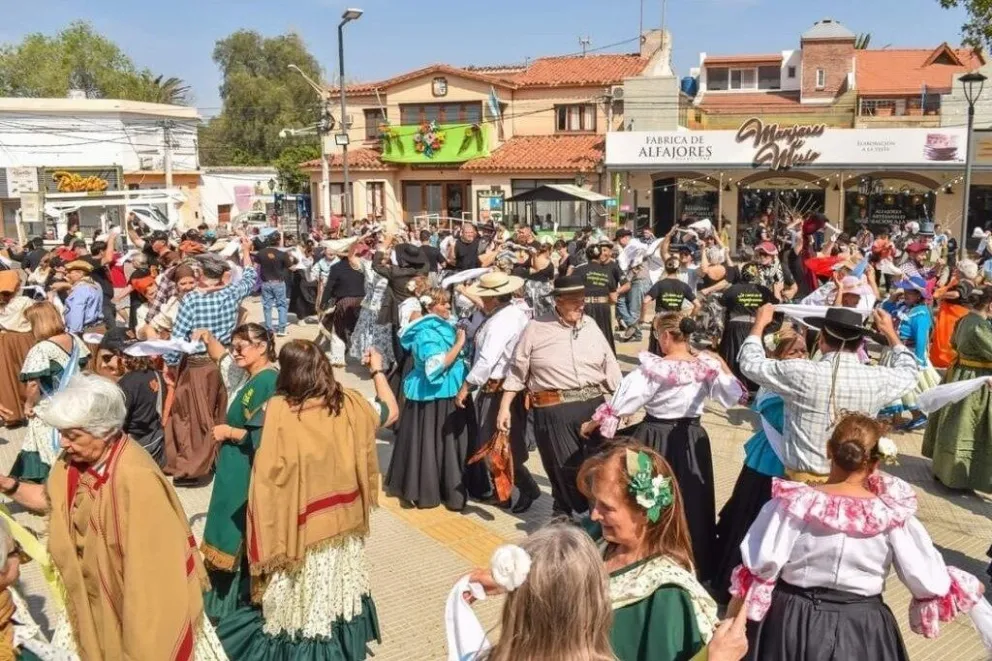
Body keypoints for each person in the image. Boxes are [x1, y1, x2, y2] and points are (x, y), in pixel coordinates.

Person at [0, 374, 227, 660]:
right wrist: (10, 485)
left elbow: (154, 583)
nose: (63, 444)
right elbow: (53, 500)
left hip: (132, 612)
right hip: (89, 605)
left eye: (72, 435)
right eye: (62, 433)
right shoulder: (73, 461)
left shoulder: (137, 479)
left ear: (104, 431)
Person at [729, 414, 987, 661]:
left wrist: (732, 623)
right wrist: (959, 585)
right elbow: (926, 580)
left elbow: (760, 566)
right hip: (862, 626)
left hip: (790, 621)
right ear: (875, 462)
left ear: (829, 450)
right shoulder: (891, 515)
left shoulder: (792, 505)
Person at [215, 340, 396, 660]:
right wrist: (377, 370)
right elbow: (390, 411)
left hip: (299, 529)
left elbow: (251, 444)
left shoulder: (277, 411)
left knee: (300, 601)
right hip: (344, 523)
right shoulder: (352, 404)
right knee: (336, 592)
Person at [581, 313, 745, 582]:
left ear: (666, 336)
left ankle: (649, 550)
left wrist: (592, 424)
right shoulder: (704, 366)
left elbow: (623, 404)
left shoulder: (653, 368)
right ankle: (693, 558)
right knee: (691, 498)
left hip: (655, 436)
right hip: (693, 437)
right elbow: (732, 395)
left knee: (647, 495)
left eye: (658, 336)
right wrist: (721, 364)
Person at [739, 304, 920, 483]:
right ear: (859, 344)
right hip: (850, 485)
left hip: (802, 486)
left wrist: (759, 324)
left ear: (821, 340)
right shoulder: (878, 377)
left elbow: (749, 363)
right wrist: (890, 333)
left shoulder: (801, 372)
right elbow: (911, 372)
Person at [579, 443, 720, 661]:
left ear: (645, 512)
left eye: (607, 507)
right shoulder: (594, 536)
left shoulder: (667, 595)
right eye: (594, 502)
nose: (595, 514)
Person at [499, 275, 622, 516]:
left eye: (582, 299)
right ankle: (564, 511)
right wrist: (505, 407)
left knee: (598, 468)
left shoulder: (591, 325)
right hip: (554, 409)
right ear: (558, 300)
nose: (581, 305)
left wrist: (621, 406)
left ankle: (592, 519)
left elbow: (611, 366)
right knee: (564, 468)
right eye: (574, 300)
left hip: (595, 408)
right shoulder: (536, 328)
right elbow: (517, 370)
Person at [712, 326, 807, 604]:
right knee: (751, 519)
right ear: (778, 355)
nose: (800, 356)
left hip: (789, 460)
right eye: (793, 351)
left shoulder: (805, 379)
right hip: (768, 461)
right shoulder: (774, 382)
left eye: (803, 350)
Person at [191, 324, 279, 621]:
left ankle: (235, 604)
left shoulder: (269, 382)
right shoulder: (246, 374)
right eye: (233, 345)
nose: (235, 351)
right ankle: (221, 601)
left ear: (263, 347)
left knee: (236, 528)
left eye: (242, 346)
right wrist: (206, 336)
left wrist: (230, 431)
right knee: (225, 524)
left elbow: (267, 436)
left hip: (246, 466)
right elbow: (222, 358)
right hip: (233, 462)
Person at [167, 238, 257, 486]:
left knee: (193, 416)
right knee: (221, 409)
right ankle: (218, 458)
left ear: (200, 274)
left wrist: (172, 365)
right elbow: (250, 277)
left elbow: (178, 338)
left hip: (197, 364)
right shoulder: (232, 292)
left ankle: (194, 466)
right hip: (225, 359)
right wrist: (246, 251)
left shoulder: (192, 300)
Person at [455, 272, 541, 513]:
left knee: (496, 444)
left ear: (492, 298)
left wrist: (467, 385)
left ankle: (526, 487)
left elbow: (486, 360)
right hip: (506, 386)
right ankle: (502, 492)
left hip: (498, 388)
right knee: (498, 444)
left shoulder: (501, 321)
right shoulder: (511, 312)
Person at [387, 288, 477, 510]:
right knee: (432, 444)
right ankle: (430, 490)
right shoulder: (426, 332)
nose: (448, 307)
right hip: (431, 397)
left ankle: (451, 488)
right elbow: (434, 367)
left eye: (448, 303)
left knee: (445, 445)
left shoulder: (446, 325)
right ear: (430, 307)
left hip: (449, 393)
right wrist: (458, 344)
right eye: (443, 304)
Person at [922, 285, 992, 490]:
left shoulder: (964, 319)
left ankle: (943, 469)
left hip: (960, 373)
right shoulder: (979, 327)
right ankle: (960, 476)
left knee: (953, 422)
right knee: (967, 425)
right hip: (975, 380)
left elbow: (953, 342)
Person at [13, 302, 89, 483]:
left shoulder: (40, 349)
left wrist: (28, 405)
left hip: (50, 404)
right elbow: (85, 367)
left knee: (49, 446)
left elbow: (33, 384)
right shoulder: (74, 339)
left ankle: (54, 484)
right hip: (74, 400)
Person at [879, 276, 939, 431]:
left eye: (909, 293)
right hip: (894, 350)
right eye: (904, 291)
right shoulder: (902, 306)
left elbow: (920, 338)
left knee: (907, 388)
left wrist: (918, 361)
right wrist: (891, 299)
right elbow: (882, 312)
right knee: (894, 386)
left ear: (919, 295)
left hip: (909, 353)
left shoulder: (920, 313)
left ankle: (917, 415)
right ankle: (897, 420)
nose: (905, 295)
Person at [719, 263, 773, 395]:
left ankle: (734, 388)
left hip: (734, 327)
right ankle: (752, 388)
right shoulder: (763, 291)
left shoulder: (732, 290)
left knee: (733, 356)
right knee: (754, 354)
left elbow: (722, 306)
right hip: (756, 327)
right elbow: (773, 306)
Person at [320, 242, 366, 362]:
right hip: (362, 301)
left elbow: (329, 287)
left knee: (338, 328)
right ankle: (364, 357)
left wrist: (323, 303)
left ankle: (338, 357)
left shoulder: (336, 268)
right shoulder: (362, 266)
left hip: (344, 302)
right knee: (361, 329)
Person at [0, 271, 36, 426]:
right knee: (26, 373)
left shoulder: (3, 304)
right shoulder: (25, 301)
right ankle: (31, 406)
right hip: (24, 339)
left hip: (5, 339)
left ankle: (12, 412)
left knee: (7, 375)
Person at [643, 256, 699, 355]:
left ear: (665, 267)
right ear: (678, 269)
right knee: (675, 349)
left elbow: (645, 301)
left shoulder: (660, 284)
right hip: (675, 321)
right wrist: (689, 317)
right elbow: (697, 304)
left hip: (660, 320)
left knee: (657, 350)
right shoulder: (683, 286)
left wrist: (641, 318)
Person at [570, 244, 619, 354]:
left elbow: (571, 290)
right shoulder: (607, 272)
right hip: (603, 307)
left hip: (585, 307)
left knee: (584, 336)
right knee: (604, 336)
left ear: (586, 256)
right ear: (599, 255)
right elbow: (614, 298)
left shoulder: (579, 270)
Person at [930, 259, 978, 369]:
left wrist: (940, 295)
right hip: (955, 313)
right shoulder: (970, 282)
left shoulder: (964, 283)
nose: (955, 271)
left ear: (963, 272)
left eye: (958, 269)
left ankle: (944, 361)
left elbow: (956, 294)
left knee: (946, 339)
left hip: (953, 315)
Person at [256, 233, 294, 336]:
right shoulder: (282, 254)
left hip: (266, 283)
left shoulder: (261, 253)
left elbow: (256, 265)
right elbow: (290, 267)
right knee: (281, 305)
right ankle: (281, 330)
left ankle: (269, 329)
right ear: (278, 241)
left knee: (267, 306)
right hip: (279, 283)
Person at [62, 260, 103, 334]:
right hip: (96, 328)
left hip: (84, 332)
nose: (67, 275)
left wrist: (72, 335)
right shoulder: (96, 285)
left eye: (70, 272)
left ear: (80, 273)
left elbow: (76, 316)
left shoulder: (81, 290)